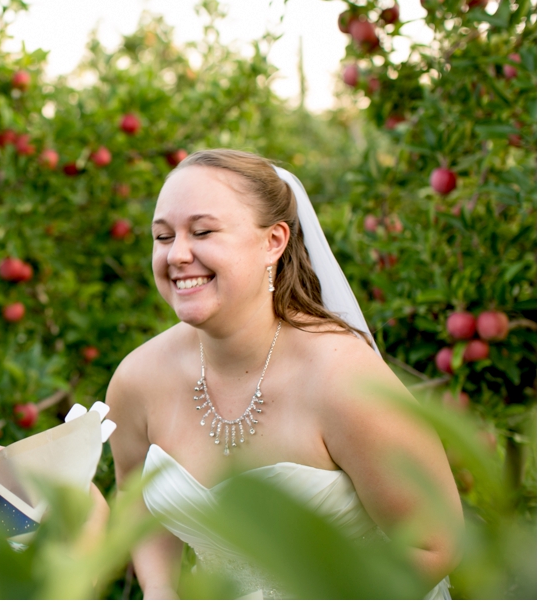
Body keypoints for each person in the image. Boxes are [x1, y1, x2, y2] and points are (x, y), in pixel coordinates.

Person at [106, 149, 462, 599]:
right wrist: (161, 590)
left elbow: (435, 544)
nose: (177, 254)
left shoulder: (343, 380)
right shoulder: (137, 380)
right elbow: (138, 502)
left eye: (203, 231)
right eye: (162, 236)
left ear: (273, 241)